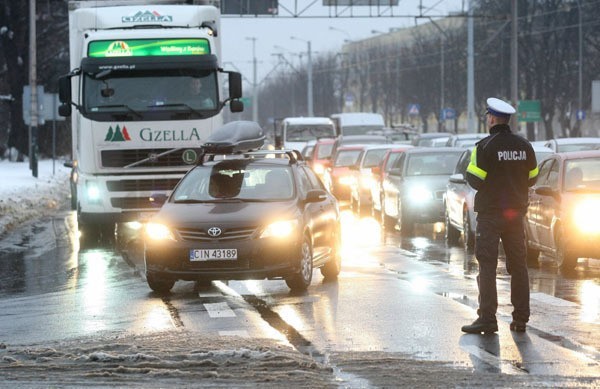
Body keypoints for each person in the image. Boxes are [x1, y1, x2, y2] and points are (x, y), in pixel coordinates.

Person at [461, 97, 538, 334]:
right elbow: (533, 177)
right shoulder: (524, 146)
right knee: (518, 266)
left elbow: (474, 179)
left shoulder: (484, 147)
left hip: (490, 215)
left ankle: (487, 318)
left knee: (487, 265)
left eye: (487, 117)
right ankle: (520, 319)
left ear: (492, 119)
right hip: (515, 214)